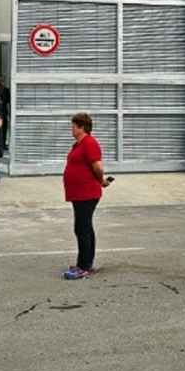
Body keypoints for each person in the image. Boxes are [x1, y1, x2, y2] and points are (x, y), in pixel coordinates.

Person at [63, 112, 111, 280]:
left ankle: (84, 266)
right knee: (83, 227)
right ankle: (85, 263)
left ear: (81, 127)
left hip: (87, 192)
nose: (72, 128)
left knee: (82, 228)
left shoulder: (90, 143)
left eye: (74, 126)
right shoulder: (78, 144)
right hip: (79, 193)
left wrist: (101, 181)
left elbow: (97, 167)